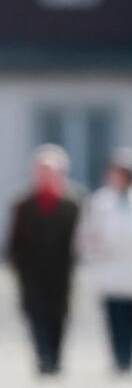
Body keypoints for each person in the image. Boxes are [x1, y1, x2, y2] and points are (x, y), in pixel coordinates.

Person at [79, 149, 132, 372]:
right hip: (109, 270)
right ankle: (118, 359)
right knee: (114, 318)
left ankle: (129, 359)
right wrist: (92, 250)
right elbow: (87, 233)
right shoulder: (101, 201)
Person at [6, 144, 81, 375]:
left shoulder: (73, 203)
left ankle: (55, 359)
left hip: (61, 272)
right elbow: (14, 240)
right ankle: (42, 358)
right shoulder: (22, 203)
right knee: (35, 315)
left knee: (58, 316)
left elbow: (79, 239)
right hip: (31, 273)